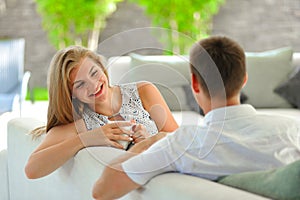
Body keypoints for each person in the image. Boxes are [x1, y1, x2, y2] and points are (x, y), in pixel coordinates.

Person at [92, 36, 300, 200]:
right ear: (244, 79)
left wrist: (148, 143)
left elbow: (102, 191)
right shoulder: (292, 129)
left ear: (195, 83)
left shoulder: (182, 143)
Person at [24, 45, 178, 179]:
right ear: (70, 93)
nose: (93, 86)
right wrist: (85, 139)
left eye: (94, 73)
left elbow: (179, 142)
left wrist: (150, 140)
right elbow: (32, 169)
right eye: (80, 84)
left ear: (102, 67)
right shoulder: (80, 125)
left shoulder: (144, 91)